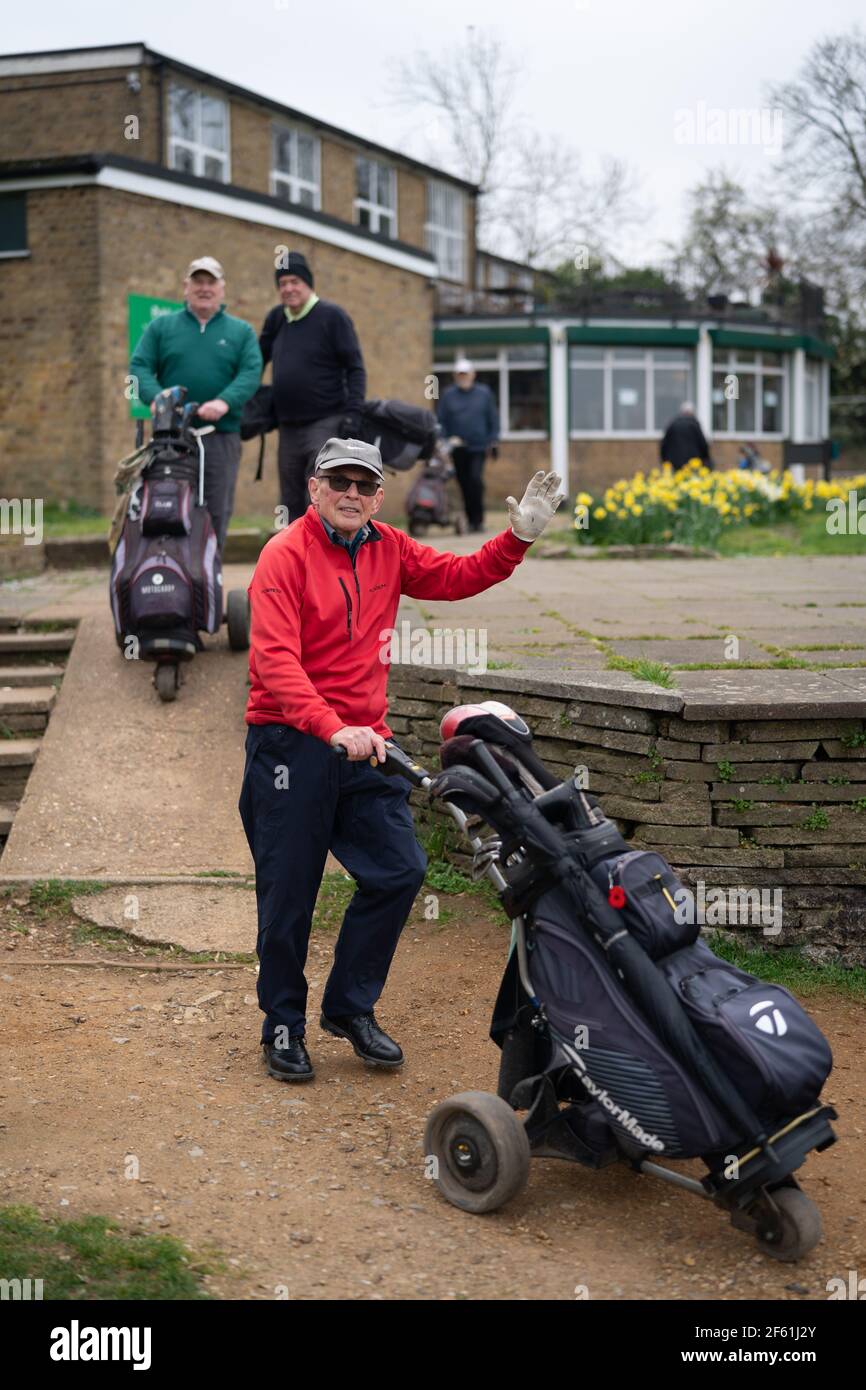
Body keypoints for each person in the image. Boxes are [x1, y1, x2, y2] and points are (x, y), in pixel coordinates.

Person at [238, 439, 564, 1082]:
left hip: (367, 746)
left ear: (380, 494)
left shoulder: (390, 546)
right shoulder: (283, 556)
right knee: (288, 898)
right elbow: (274, 663)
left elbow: (459, 576)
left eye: (365, 484)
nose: (352, 493)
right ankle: (282, 1026)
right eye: (340, 482)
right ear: (314, 488)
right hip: (290, 745)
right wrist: (331, 728)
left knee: (397, 871)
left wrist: (517, 539)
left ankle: (350, 1009)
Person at [129, 257, 263, 551]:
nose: (204, 288)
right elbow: (139, 367)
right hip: (171, 438)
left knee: (216, 510)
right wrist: (157, 398)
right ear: (185, 288)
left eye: (211, 282)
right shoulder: (161, 328)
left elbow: (251, 372)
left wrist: (225, 401)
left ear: (222, 288)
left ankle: (207, 579)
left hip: (220, 437)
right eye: (198, 282)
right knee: (167, 505)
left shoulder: (240, 332)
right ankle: (169, 574)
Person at [259, 250, 367, 523]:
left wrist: (353, 414)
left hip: (325, 422)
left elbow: (355, 368)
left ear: (308, 283)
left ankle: (325, 561)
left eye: (295, 281)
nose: (289, 288)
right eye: (283, 283)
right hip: (288, 427)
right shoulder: (276, 319)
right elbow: (255, 361)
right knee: (290, 499)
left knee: (319, 495)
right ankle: (295, 562)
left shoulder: (332, 317)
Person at [437, 357, 499, 532]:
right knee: (464, 483)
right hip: (457, 448)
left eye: (466, 374)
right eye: (460, 374)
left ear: (473, 375)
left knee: (475, 480)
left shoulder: (484, 394)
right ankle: (471, 520)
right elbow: (441, 421)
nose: (463, 377)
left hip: (478, 447)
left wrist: (493, 439)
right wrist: (445, 439)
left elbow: (493, 419)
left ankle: (478, 520)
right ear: (456, 376)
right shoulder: (448, 395)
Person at [659, 401, 712, 471]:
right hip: (692, 462)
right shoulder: (694, 425)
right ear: (692, 412)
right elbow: (703, 444)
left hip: (675, 462)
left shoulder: (673, 424)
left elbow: (664, 444)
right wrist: (706, 458)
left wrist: (664, 459)